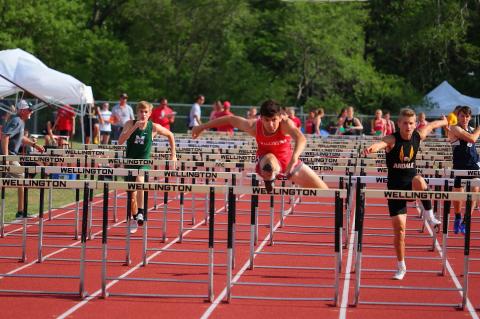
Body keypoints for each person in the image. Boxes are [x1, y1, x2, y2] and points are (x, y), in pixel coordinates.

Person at [362, 108, 448, 280]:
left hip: (412, 185)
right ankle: (401, 266)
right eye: (405, 123)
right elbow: (382, 143)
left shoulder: (418, 135)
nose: (408, 126)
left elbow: (432, 125)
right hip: (395, 190)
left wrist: (445, 122)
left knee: (419, 179)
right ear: (399, 123)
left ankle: (430, 216)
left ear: (415, 124)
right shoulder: (392, 139)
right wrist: (373, 148)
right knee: (400, 231)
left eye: (411, 123)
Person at [192, 99, 328, 191]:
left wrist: (294, 158)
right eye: (267, 120)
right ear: (260, 118)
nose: (270, 124)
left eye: (274, 120)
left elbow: (301, 139)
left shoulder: (285, 124)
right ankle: (270, 176)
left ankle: (273, 173)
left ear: (280, 117)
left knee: (325, 192)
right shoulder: (253, 126)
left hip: (289, 162)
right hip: (266, 160)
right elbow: (230, 119)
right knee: (269, 161)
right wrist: (202, 127)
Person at [118, 101, 176, 233]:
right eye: (141, 112)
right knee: (131, 194)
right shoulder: (129, 123)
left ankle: (141, 212)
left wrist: (173, 155)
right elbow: (121, 141)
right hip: (129, 162)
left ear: (149, 114)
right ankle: (134, 217)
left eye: (146, 112)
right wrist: (134, 128)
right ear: (137, 112)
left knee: (140, 182)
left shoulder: (153, 127)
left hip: (143, 162)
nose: (143, 114)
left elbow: (170, 135)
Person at [0, 100, 45, 218]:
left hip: (10, 155)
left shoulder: (20, 121)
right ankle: (20, 211)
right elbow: (5, 137)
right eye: (29, 110)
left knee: (19, 181)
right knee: (22, 179)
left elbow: (21, 138)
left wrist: (34, 145)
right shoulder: (16, 120)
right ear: (22, 111)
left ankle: (21, 210)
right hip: (8, 155)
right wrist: (6, 158)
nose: (32, 112)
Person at [447, 106, 480, 234]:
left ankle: (466, 220)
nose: (465, 118)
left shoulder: (472, 129)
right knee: (458, 193)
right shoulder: (455, 128)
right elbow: (472, 138)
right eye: (462, 116)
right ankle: (457, 217)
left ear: (470, 117)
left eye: (467, 116)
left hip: (473, 164)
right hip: (459, 165)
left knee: (476, 188)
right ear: (458, 116)